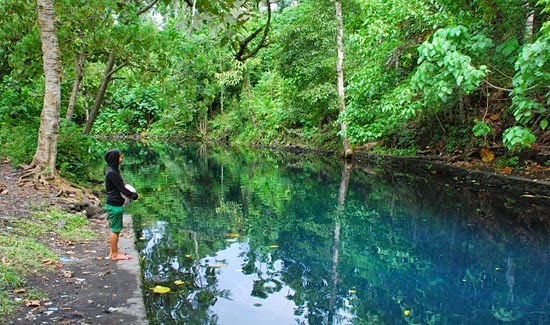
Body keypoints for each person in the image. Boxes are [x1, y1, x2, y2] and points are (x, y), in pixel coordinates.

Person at [104, 149, 138, 261]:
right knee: (115, 229)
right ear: (115, 158)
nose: (121, 159)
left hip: (113, 203)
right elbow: (121, 188)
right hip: (114, 205)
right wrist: (133, 195)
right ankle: (114, 254)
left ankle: (113, 251)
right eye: (120, 157)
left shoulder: (111, 170)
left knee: (116, 229)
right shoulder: (112, 173)